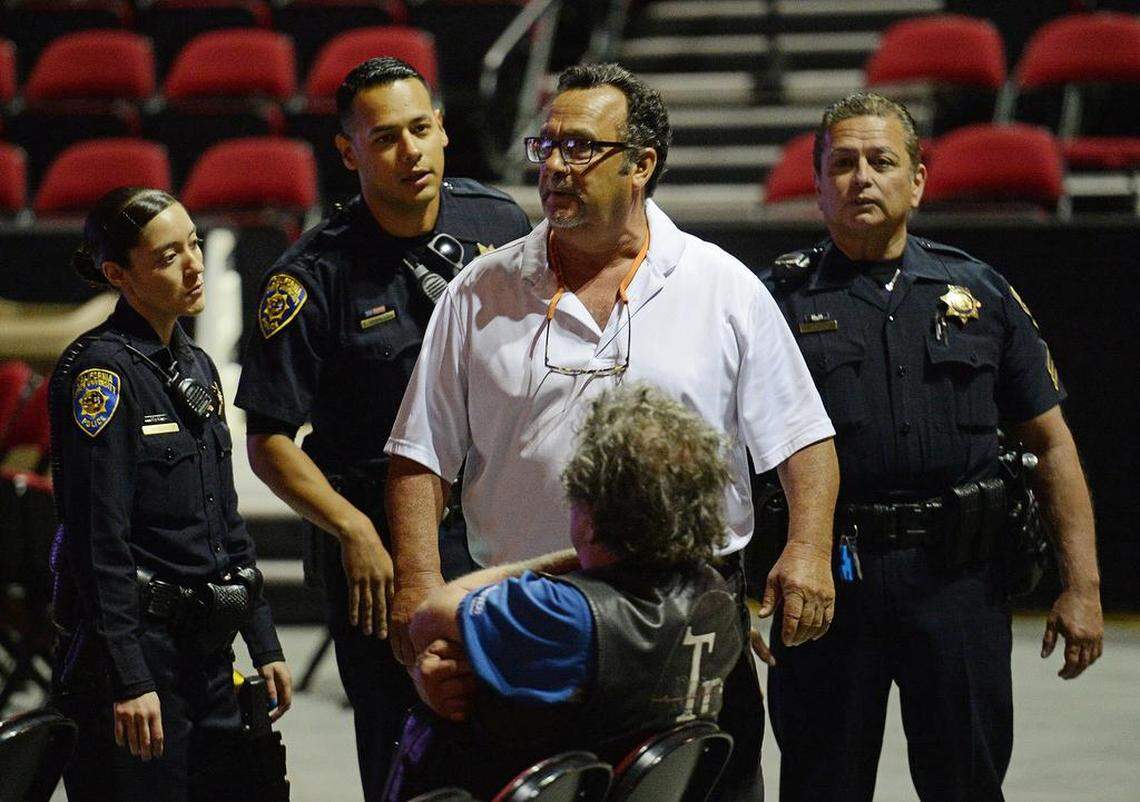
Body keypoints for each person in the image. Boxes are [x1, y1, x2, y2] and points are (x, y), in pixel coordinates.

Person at [384, 62, 840, 802]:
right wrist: (418, 591)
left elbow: (802, 439)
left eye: (581, 148)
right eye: (548, 147)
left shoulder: (720, 285)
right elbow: (419, 455)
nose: (557, 167)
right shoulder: (480, 290)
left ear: (642, 165)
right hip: (528, 618)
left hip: (686, 618)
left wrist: (810, 548)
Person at [761, 92, 1104, 802]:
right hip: (830, 585)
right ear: (818, 181)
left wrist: (1083, 587)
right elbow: (731, 456)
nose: (863, 178)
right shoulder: (773, 304)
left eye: (882, 162)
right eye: (843, 163)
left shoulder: (979, 293)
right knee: (820, 784)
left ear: (917, 180)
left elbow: (1052, 445)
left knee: (968, 783)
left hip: (958, 582)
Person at [233, 56, 531, 800]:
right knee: (406, 748)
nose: (412, 152)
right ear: (349, 152)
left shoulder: (499, 224)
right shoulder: (311, 277)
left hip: (497, 523)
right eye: (388, 137)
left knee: (515, 733)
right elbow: (269, 441)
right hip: (380, 545)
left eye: (422, 129)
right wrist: (354, 533)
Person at [384, 384, 744, 800]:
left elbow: (431, 612)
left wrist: (561, 558)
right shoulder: (714, 596)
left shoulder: (561, 612)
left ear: (590, 518)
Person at [49, 187, 292, 801]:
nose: (194, 265)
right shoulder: (100, 376)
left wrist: (261, 638)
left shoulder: (196, 368)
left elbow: (225, 524)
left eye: (194, 244)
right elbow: (98, 543)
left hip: (207, 653)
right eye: (166, 256)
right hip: (138, 657)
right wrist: (129, 679)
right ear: (118, 275)